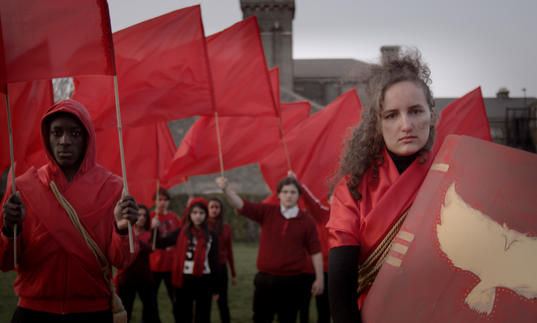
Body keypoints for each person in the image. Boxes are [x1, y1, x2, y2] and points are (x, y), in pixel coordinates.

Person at [0, 99, 139, 323]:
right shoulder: (22, 187)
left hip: (92, 310)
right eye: (57, 133)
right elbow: (5, 263)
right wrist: (9, 230)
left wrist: (122, 230)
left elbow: (122, 261)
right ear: (47, 137)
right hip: (33, 311)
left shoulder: (114, 187)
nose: (65, 141)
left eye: (75, 133)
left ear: (87, 138)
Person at [326, 50, 437, 322]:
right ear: (378, 123)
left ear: (431, 115)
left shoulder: (453, 177)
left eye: (415, 111)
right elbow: (341, 287)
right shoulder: (352, 188)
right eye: (391, 115)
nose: (406, 125)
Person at [217, 176, 324, 323]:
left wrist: (320, 278)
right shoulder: (267, 211)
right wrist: (226, 189)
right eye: (285, 192)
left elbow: (315, 251)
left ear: (299, 195)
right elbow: (241, 205)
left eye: (293, 192)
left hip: (292, 282)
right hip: (265, 280)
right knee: (261, 318)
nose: (289, 195)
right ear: (278, 195)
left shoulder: (307, 221)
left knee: (288, 319)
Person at [152, 197, 220, 323]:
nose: (198, 216)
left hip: (204, 280)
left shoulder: (211, 235)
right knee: (183, 315)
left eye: (201, 213)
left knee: (203, 316)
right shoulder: (181, 232)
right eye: (194, 213)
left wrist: (216, 288)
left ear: (206, 215)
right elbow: (160, 243)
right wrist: (154, 228)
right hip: (183, 279)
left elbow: (215, 261)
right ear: (190, 214)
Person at [115, 204, 161, 323]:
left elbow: (151, 249)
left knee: (151, 311)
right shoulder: (125, 233)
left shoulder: (151, 234)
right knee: (125, 310)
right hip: (126, 277)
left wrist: (154, 229)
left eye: (144, 215)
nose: (142, 217)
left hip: (145, 277)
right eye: (139, 214)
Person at [150, 188, 181, 319]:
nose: (162, 202)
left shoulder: (174, 217)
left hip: (171, 265)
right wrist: (152, 226)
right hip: (154, 265)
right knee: (151, 298)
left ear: (169, 201)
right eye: (159, 199)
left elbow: (179, 238)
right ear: (155, 201)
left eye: (165, 199)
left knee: (175, 297)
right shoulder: (150, 217)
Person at [207, 197, 237, 323]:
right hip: (206, 268)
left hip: (221, 267)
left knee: (223, 302)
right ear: (207, 209)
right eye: (211, 207)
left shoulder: (226, 228)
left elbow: (229, 250)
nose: (214, 210)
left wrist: (233, 273)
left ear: (221, 209)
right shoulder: (203, 226)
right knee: (204, 302)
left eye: (217, 207)